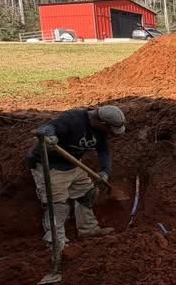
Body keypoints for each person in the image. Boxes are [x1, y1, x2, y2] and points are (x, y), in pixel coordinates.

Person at [27, 105, 126, 253]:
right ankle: (56, 243)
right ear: (102, 123)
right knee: (57, 205)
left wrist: (105, 171)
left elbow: (104, 151)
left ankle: (88, 229)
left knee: (88, 193)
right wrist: (50, 136)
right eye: (110, 129)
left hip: (72, 164)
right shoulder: (73, 119)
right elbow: (45, 128)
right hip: (50, 165)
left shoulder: (100, 131)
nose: (110, 133)